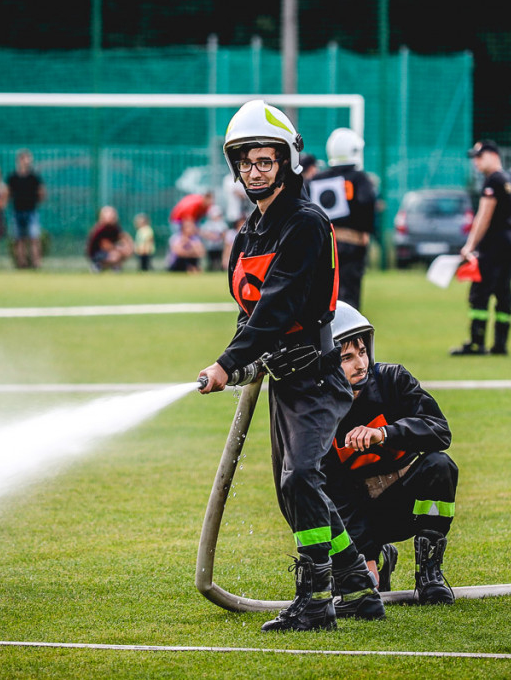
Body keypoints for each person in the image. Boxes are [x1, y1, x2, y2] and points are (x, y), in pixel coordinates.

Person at [197, 99, 381, 632]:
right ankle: (358, 587)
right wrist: (241, 357)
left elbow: (277, 306)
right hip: (285, 380)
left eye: (265, 161)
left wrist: (229, 363)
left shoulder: (304, 224)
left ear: (286, 162)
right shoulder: (249, 232)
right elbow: (248, 312)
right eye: (246, 162)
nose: (255, 171)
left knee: (301, 476)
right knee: (294, 489)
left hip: (317, 376)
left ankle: (315, 601)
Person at [322, 302, 456, 606]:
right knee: (355, 588)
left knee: (440, 465)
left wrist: (385, 434)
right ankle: (379, 557)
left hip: (403, 505)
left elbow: (440, 431)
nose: (360, 364)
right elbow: (334, 493)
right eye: (346, 358)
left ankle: (429, 574)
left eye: (362, 352)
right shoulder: (320, 412)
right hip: (354, 513)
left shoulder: (394, 380)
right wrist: (364, 557)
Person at [452, 140, 511, 356]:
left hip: (494, 243)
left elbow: (484, 216)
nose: (476, 162)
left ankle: (476, 343)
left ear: (493, 155)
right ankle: (501, 344)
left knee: (480, 292)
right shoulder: (509, 180)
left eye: (479, 157)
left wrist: (470, 245)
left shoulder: (493, 181)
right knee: (503, 292)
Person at [309, 128, 377, 309]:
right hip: (352, 243)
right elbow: (367, 203)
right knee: (350, 295)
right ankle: (348, 335)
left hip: (322, 244)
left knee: (324, 293)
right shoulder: (360, 178)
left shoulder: (316, 179)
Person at [7, 148, 46, 269]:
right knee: (19, 239)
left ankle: (36, 263)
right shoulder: (12, 177)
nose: (28, 161)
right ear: (19, 160)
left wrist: (35, 201)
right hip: (17, 210)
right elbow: (8, 193)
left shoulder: (34, 177)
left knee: (34, 238)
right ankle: (21, 264)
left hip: (31, 211)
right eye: (26, 158)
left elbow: (42, 193)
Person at [86, 205, 133, 272]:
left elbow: (123, 236)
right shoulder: (101, 229)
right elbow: (105, 245)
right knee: (115, 255)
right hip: (96, 253)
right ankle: (98, 265)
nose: (113, 217)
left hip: (108, 251)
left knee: (121, 252)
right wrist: (120, 249)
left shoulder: (114, 227)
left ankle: (112, 266)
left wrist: (129, 246)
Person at [200, 205, 229, 271]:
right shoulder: (208, 224)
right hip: (210, 246)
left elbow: (225, 233)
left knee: (219, 259)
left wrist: (218, 237)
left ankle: (219, 267)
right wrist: (212, 236)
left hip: (220, 246)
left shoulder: (222, 224)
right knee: (211, 260)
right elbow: (204, 233)